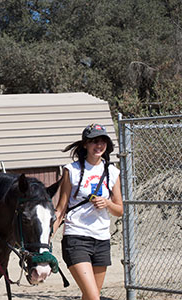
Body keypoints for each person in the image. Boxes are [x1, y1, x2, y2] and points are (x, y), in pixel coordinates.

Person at [52, 124, 123, 300]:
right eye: (93, 141)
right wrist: (45, 241)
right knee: (93, 297)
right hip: (76, 237)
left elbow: (120, 210)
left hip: (101, 239)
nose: (98, 145)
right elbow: (60, 209)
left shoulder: (112, 172)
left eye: (102, 141)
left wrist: (107, 203)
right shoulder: (72, 170)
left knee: (90, 296)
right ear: (85, 145)